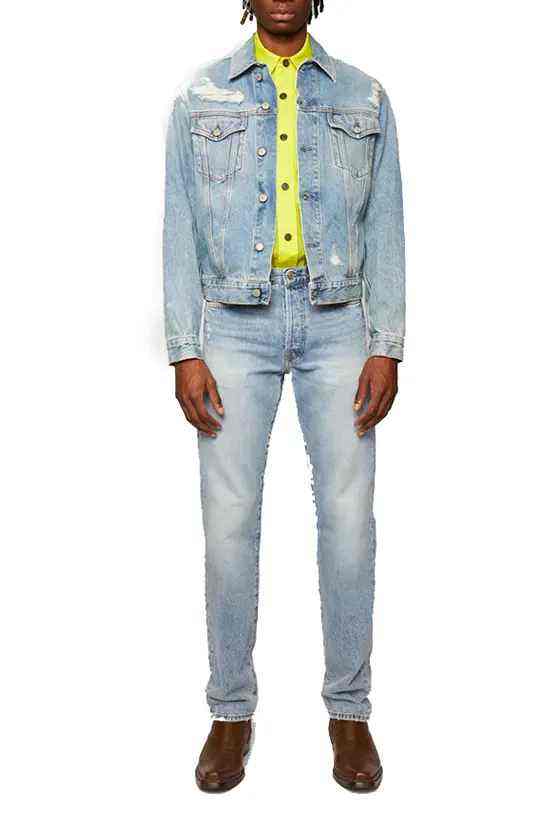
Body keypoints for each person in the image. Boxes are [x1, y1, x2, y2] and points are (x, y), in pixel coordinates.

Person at [162, 0, 405, 793]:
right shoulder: (200, 97)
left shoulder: (364, 96)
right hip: (234, 323)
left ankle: (349, 712)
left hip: (340, 321)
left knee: (349, 521)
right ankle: (230, 711)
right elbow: (177, 228)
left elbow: (387, 227)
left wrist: (385, 343)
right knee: (229, 524)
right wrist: (185, 349)